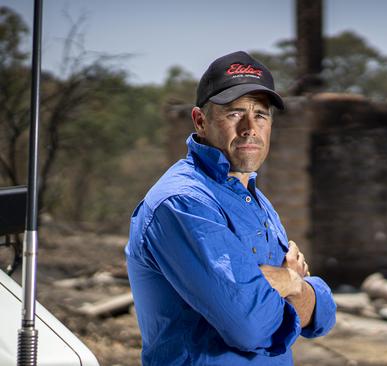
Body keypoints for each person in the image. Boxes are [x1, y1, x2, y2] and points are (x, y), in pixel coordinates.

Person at [125, 51, 336, 365]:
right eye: (235, 113)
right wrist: (292, 282)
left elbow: (321, 317)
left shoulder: (256, 201)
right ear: (201, 121)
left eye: (261, 114)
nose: (250, 127)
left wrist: (289, 284)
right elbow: (249, 326)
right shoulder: (184, 203)